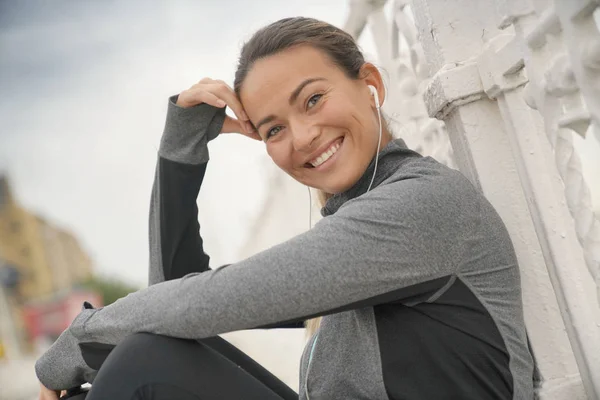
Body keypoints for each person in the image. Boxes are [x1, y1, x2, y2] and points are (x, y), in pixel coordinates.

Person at [36, 17, 534, 400]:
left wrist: (79, 338)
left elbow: (209, 301)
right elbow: (173, 305)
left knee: (139, 362)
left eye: (313, 99)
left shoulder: (420, 206)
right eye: (273, 128)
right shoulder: (364, 222)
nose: (302, 137)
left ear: (370, 84)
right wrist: (182, 150)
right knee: (145, 354)